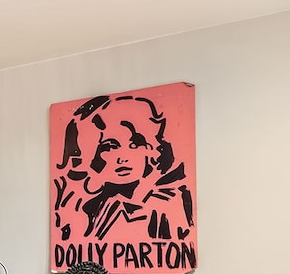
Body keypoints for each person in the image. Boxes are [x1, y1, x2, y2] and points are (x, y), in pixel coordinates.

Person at [53, 94, 194, 242]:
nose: (123, 158)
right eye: (111, 147)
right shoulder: (82, 206)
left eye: (135, 145)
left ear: (150, 149)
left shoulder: (163, 205)